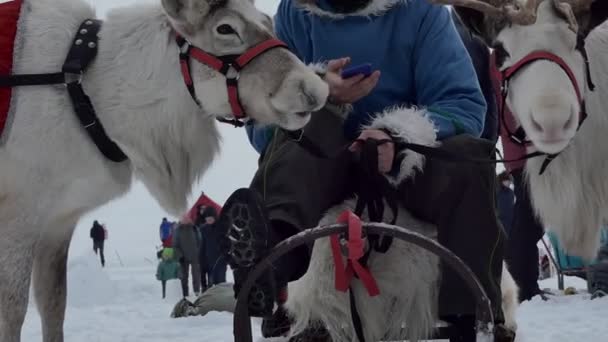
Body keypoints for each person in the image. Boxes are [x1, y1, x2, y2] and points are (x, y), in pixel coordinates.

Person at [218, 1, 511, 340]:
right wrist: (321, 95)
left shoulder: (422, 13)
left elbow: (464, 105)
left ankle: (472, 316)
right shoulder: (294, 16)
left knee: (470, 155)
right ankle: (270, 263)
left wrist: (396, 136)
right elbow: (263, 127)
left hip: (411, 164)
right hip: (322, 167)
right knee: (295, 144)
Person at [198, 206, 228, 287]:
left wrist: (225, 254)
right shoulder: (204, 229)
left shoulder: (222, 227)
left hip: (220, 260)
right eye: (207, 218)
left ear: (214, 216)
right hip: (209, 262)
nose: (208, 219)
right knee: (212, 285)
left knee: (221, 284)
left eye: (210, 217)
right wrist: (201, 260)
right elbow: (203, 246)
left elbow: (227, 242)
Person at [173, 220, 202, 297]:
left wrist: (199, 252)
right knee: (184, 277)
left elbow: (200, 241)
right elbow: (175, 245)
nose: (185, 219)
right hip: (183, 257)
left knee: (196, 275)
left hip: (195, 256)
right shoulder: (178, 230)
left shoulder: (194, 228)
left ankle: (197, 292)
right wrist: (179, 255)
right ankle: (185, 294)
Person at [496, 171, 515, 236]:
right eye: (508, 180)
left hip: (510, 221)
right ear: (503, 180)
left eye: (510, 181)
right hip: (500, 222)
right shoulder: (496, 190)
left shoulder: (511, 192)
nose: (510, 182)